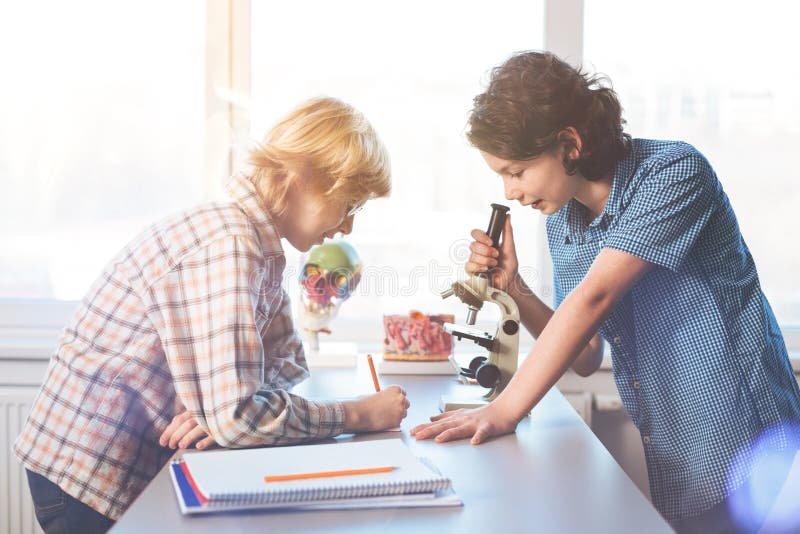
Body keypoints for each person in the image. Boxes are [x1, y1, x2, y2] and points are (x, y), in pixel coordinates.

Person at [410, 51, 800, 532]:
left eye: (516, 170)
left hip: (750, 447)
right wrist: (515, 288)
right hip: (678, 457)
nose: (510, 191)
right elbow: (586, 354)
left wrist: (504, 410)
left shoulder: (673, 172)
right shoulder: (566, 220)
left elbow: (594, 298)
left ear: (569, 143)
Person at [15, 96, 409, 533]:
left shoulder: (261, 247)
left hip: (111, 467)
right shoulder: (229, 241)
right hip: (84, 477)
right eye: (350, 205)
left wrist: (220, 413)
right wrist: (359, 414)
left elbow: (287, 361)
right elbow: (239, 417)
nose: (349, 227)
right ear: (305, 176)